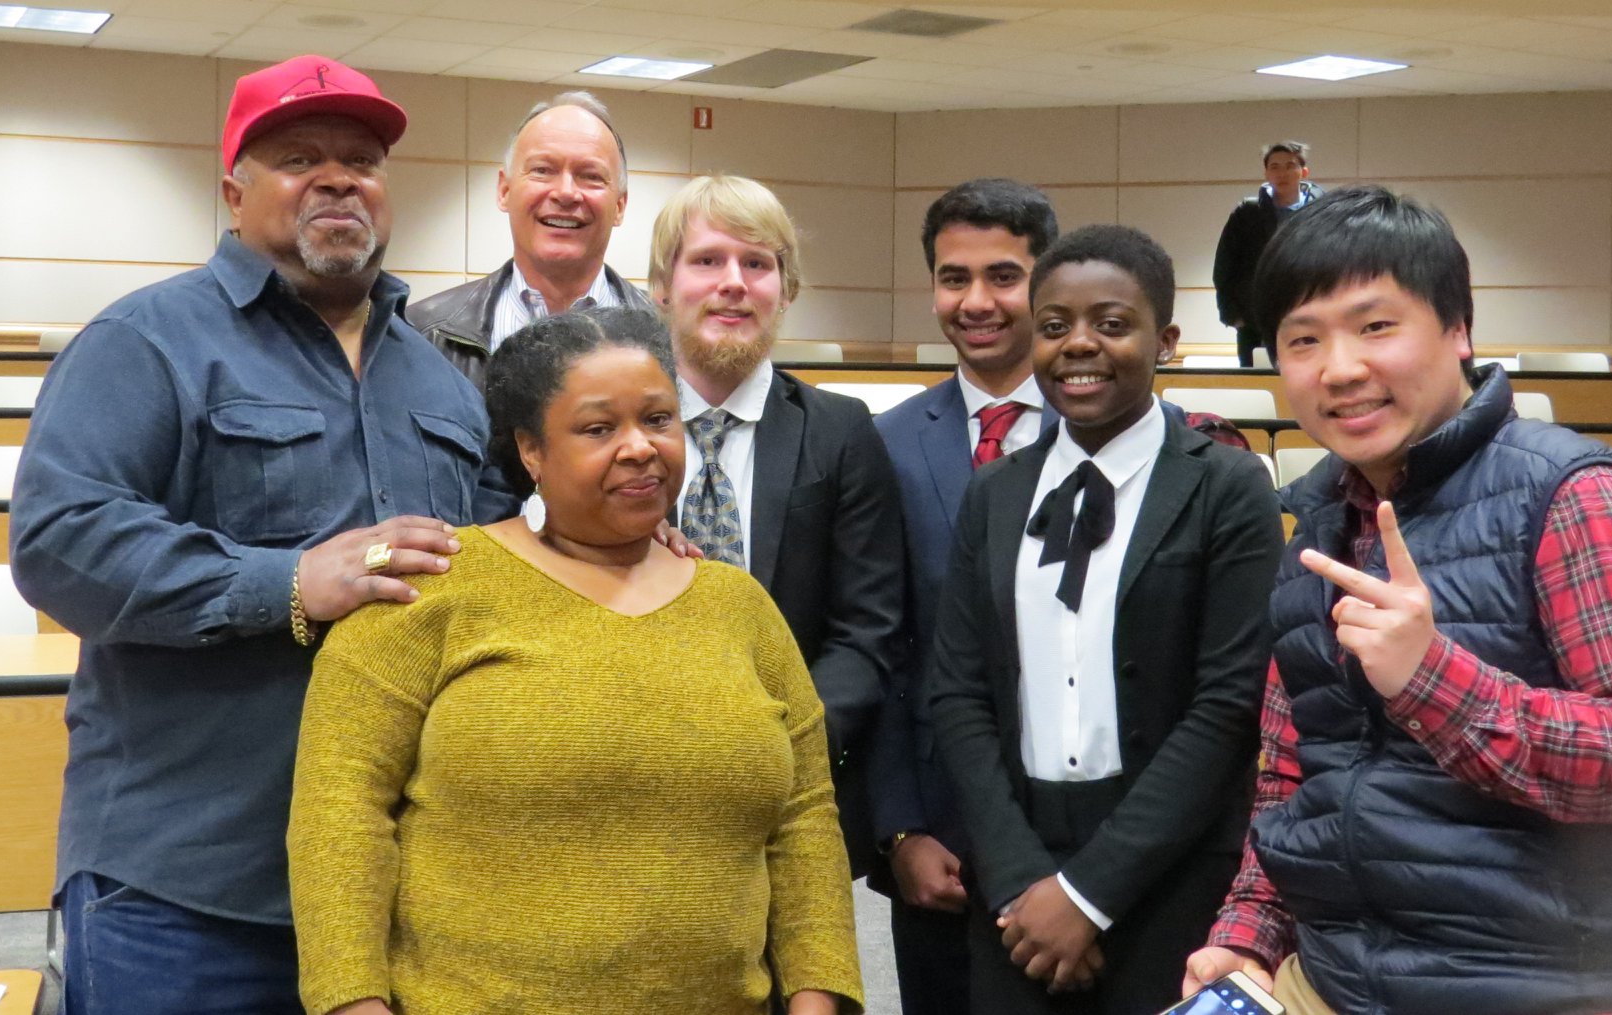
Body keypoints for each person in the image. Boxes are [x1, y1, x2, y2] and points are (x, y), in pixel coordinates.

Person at [8, 55, 516, 1014]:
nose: (338, 178)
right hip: (187, 886)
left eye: (362, 160)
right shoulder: (146, 341)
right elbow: (60, 541)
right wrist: (287, 580)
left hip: (393, 882)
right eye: (298, 157)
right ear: (235, 191)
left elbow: (495, 570)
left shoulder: (445, 385)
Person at [1184, 185, 1612, 1015]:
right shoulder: (1319, 523)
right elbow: (1295, 774)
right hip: (1336, 978)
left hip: (1553, 986)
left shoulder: (1581, 501)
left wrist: (1433, 679)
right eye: (1303, 339)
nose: (1341, 368)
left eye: (1375, 326)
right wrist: (1247, 929)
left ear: (1458, 328)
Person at [288, 307, 862, 1015]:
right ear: (532, 450)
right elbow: (339, 817)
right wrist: (353, 1003)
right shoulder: (427, 592)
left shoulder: (738, 605)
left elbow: (804, 818)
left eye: (658, 419)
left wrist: (817, 998)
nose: (640, 448)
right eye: (598, 428)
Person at [930, 224, 1283, 1014]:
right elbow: (957, 692)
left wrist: (1088, 895)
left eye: (1112, 324)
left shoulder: (1227, 486)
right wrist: (1024, 881)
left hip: (1171, 871)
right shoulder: (995, 493)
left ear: (1165, 341)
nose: (1078, 345)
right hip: (1017, 875)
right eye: (1054, 326)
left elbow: (1227, 705)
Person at [648, 174, 906, 881]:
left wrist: (781, 749)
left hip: (792, 796)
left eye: (757, 264)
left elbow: (868, 629)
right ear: (661, 286)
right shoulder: (611, 426)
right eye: (707, 261)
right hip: (629, 781)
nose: (733, 283)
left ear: (785, 291)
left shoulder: (841, 433)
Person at [867, 177, 1062, 1015]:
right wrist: (900, 829)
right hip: (938, 846)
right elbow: (879, 647)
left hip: (1084, 844)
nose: (975, 301)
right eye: (954, 278)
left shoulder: (1108, 431)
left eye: (1003, 275)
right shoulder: (886, 442)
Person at [408, 90, 650, 389]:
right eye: (542, 171)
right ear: (504, 191)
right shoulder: (422, 334)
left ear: (620, 206)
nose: (566, 193)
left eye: (590, 176)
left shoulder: (671, 336)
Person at [1211, 141, 1321, 367]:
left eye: (1290, 165)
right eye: (1275, 166)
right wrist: (1232, 315)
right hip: (1254, 320)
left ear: (1304, 172)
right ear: (1266, 173)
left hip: (1310, 315)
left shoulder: (1321, 211)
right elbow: (1224, 266)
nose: (1282, 173)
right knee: (1257, 385)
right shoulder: (1248, 212)